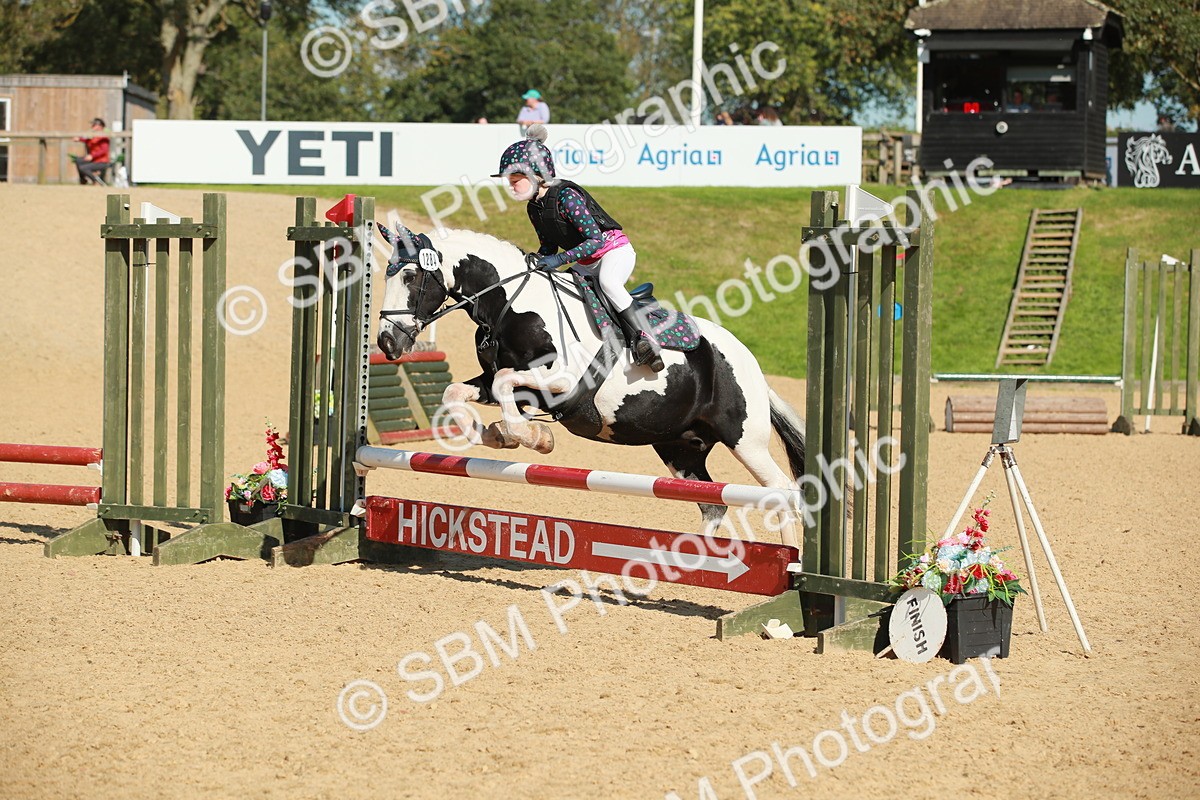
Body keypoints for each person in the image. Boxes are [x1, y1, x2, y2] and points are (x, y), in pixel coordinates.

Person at [492, 124, 663, 372]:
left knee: (609, 283)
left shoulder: (566, 197)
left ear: (536, 175)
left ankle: (645, 340)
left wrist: (559, 260)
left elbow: (596, 241)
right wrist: (536, 262)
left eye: (515, 180)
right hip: (585, 262)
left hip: (613, 252)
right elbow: (548, 246)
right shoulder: (534, 208)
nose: (511, 186)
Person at [74, 118, 111, 185]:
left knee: (83, 168)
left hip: (102, 161)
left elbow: (104, 150)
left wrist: (92, 156)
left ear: (100, 126)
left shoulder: (103, 136)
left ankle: (96, 181)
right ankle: (83, 180)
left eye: (94, 125)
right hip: (95, 159)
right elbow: (88, 141)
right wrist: (79, 139)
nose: (92, 126)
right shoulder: (94, 135)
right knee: (78, 160)